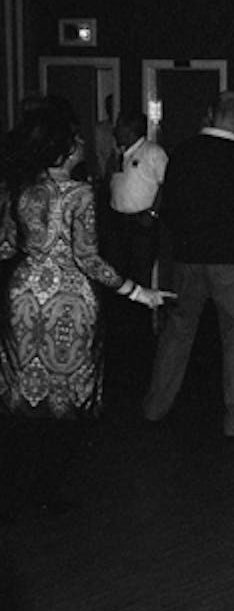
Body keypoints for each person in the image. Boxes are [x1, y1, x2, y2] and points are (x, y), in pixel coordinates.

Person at [0, 108, 172, 516]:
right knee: (66, 397)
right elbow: (89, 260)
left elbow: (5, 245)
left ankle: (17, 488)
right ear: (61, 148)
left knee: (23, 392)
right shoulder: (78, 194)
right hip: (68, 302)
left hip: (23, 296)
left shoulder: (19, 189)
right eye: (75, 139)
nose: (82, 143)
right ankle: (44, 489)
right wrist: (138, 292)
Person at [142, 91, 234, 439]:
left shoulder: (183, 152)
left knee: (177, 333)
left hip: (188, 259)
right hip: (230, 262)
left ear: (211, 114)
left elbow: (168, 210)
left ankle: (155, 406)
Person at [107, 111, 168, 288]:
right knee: (118, 274)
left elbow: (166, 185)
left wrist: (152, 213)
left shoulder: (153, 152)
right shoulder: (119, 154)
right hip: (118, 221)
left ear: (129, 130)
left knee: (140, 275)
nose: (114, 131)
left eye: (119, 126)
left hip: (141, 223)